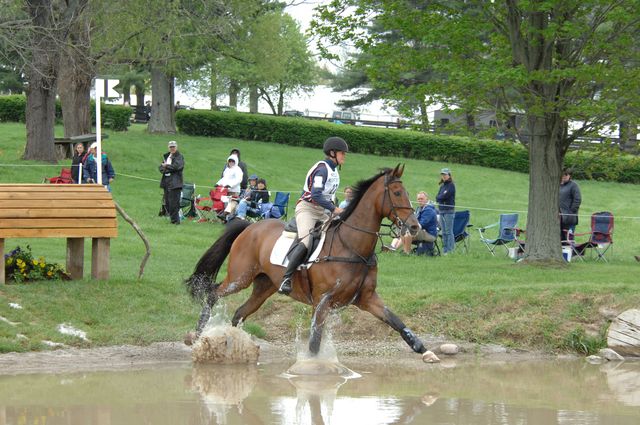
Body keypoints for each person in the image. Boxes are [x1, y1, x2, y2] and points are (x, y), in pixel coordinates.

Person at [278, 137, 348, 295]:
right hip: (307, 209)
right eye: (342, 153)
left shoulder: (334, 170)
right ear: (332, 153)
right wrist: (334, 209)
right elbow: (316, 194)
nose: (344, 156)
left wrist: (332, 210)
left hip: (322, 211)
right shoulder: (322, 169)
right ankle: (286, 279)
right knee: (306, 241)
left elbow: (329, 195)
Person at [159, 140, 184, 225]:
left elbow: (177, 167)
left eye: (173, 147)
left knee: (174, 203)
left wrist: (166, 166)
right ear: (168, 148)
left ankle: (175, 221)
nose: (172, 148)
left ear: (176, 147)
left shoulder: (179, 156)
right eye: (171, 147)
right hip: (166, 182)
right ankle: (172, 219)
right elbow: (160, 168)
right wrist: (166, 167)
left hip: (175, 182)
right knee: (168, 202)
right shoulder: (166, 156)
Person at [216, 154, 243, 218]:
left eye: (232, 161)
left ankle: (230, 218)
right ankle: (225, 218)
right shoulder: (227, 170)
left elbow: (239, 179)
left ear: (235, 161)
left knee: (233, 203)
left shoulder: (238, 169)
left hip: (234, 190)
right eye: (230, 161)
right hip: (226, 190)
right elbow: (224, 178)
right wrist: (218, 183)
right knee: (226, 203)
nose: (231, 162)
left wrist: (230, 185)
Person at [436, 168, 456, 254]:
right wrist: (440, 197)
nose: (443, 176)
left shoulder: (451, 185)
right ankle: (445, 250)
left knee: (448, 231)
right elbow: (437, 197)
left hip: (449, 211)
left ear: (449, 175)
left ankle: (450, 250)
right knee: (443, 232)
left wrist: (441, 197)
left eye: (445, 174)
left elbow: (444, 196)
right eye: (442, 175)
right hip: (441, 211)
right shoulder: (442, 186)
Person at [559, 167, 582, 241]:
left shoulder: (574, 186)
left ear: (569, 176)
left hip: (569, 218)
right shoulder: (556, 185)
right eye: (563, 175)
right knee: (559, 238)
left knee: (569, 239)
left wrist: (571, 212)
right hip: (558, 217)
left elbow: (577, 200)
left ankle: (572, 252)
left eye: (566, 175)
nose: (564, 176)